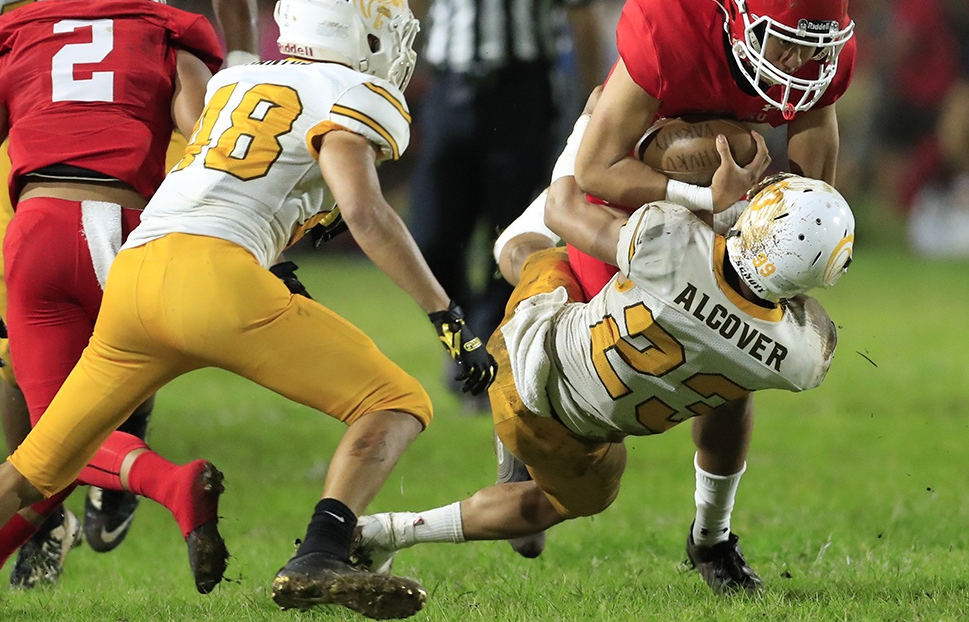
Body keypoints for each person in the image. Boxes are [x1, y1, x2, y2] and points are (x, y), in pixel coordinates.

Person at [0, 0, 497, 618]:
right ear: (361, 25)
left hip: (136, 274)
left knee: (34, 467)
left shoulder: (232, 84)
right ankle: (320, 555)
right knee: (396, 401)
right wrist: (447, 319)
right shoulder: (355, 94)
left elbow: (245, 175)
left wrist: (302, 224)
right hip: (217, 283)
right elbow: (366, 212)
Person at [492, 0, 858, 591]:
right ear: (741, 18)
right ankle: (526, 429)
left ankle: (711, 539)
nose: (802, 65)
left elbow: (814, 145)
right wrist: (703, 196)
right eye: (787, 45)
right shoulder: (673, 22)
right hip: (627, 155)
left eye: (816, 49)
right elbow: (597, 168)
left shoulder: (821, 53)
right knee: (547, 274)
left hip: (728, 188)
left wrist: (789, 239)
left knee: (733, 362)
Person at [350, 173, 856, 600]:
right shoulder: (799, 359)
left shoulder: (672, 239)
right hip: (576, 430)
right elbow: (808, 318)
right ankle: (387, 531)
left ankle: (508, 452)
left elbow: (566, 200)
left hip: (527, 350)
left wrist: (704, 197)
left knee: (533, 250)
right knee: (580, 495)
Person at [0, 0, 259, 587]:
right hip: (141, 224)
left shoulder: (10, 45)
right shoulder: (169, 38)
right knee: (66, 423)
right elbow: (215, 140)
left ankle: (163, 480)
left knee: (55, 432)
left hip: (41, 217)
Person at [396, 0, 607, 410]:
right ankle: (467, 336)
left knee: (508, 236)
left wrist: (593, 107)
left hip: (522, 92)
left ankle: (486, 354)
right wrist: (394, 77)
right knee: (429, 234)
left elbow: (583, 11)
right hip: (449, 87)